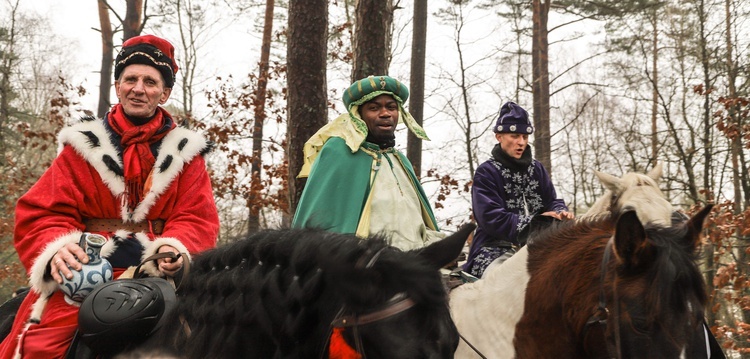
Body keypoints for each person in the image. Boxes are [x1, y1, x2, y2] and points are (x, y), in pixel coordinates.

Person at [0, 34, 220, 358]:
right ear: (118, 86)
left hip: (158, 273)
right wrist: (59, 250)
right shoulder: (81, 148)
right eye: (130, 79)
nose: (138, 88)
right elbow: (43, 212)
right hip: (87, 269)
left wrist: (175, 248)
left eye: (150, 81)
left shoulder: (187, 156)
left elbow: (196, 217)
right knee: (37, 346)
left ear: (165, 92)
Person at [292, 75, 443, 251]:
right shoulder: (339, 151)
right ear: (359, 114)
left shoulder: (400, 160)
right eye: (374, 108)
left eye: (391, 107)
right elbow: (321, 221)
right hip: (366, 265)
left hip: (414, 262)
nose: (385, 113)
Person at [463, 101, 573, 278]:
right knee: (504, 280)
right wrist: (537, 223)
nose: (521, 142)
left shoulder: (537, 169)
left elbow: (551, 201)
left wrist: (560, 212)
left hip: (539, 247)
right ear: (499, 136)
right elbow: (490, 217)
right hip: (492, 249)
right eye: (514, 136)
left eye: (525, 136)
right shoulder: (486, 172)